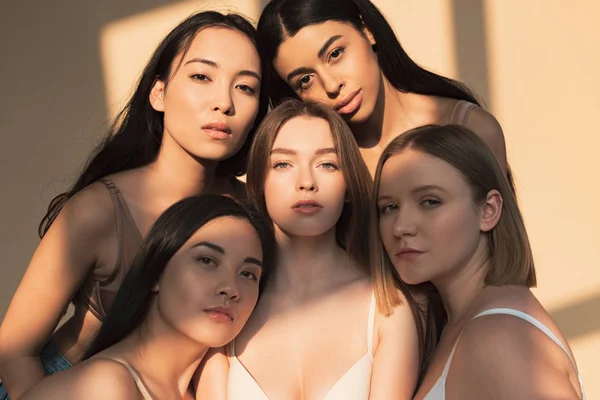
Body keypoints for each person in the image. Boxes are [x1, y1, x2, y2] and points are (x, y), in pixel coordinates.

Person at [0, 11, 269, 399]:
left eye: (245, 87)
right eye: (201, 77)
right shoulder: (99, 210)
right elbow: (14, 351)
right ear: (158, 93)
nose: (223, 103)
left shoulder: (251, 212)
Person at [196, 99, 421, 400]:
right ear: (259, 182)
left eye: (327, 164)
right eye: (283, 164)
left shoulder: (387, 308)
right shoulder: (227, 300)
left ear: (349, 185)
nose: (306, 182)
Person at [372, 124, 586, 399]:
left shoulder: (498, 338)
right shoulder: (464, 325)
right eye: (389, 207)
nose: (401, 226)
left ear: (488, 210)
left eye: (429, 201)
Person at [20, 195, 275, 400]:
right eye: (207, 260)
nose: (230, 287)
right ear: (156, 273)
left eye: (248, 273)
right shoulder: (105, 386)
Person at [256, 0, 510, 180]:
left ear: (367, 30)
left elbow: (506, 251)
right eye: (305, 80)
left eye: (335, 54)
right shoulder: (318, 165)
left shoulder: (472, 129)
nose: (332, 86)